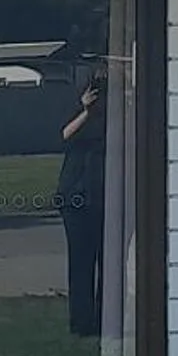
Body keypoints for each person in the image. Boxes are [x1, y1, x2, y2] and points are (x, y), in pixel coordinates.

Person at [57, 75, 108, 337]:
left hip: (104, 194)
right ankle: (82, 323)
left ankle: (104, 320)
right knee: (80, 262)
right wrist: (86, 111)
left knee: (107, 262)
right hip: (75, 194)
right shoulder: (77, 110)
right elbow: (63, 134)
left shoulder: (116, 116)